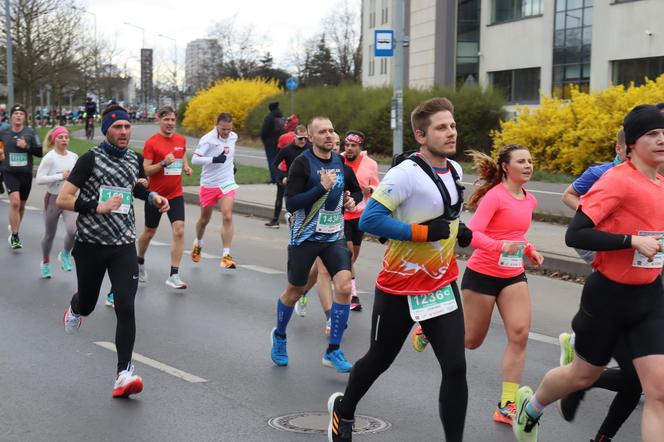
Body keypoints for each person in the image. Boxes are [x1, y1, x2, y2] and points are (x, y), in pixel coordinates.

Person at [513, 104, 664, 442]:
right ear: (632, 144)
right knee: (581, 376)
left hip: (650, 297)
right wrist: (631, 241)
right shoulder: (616, 182)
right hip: (608, 297)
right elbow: (576, 234)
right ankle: (532, 407)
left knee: (659, 392)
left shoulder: (661, 184)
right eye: (653, 134)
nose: (662, 140)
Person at [326, 97, 472, 442]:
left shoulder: (455, 170)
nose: (451, 133)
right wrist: (421, 233)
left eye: (452, 125)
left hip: (440, 283)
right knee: (379, 359)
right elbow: (370, 219)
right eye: (441, 127)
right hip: (400, 286)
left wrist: (459, 228)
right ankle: (343, 410)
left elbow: (442, 213)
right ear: (421, 135)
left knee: (455, 367)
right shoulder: (404, 174)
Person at [414, 145, 543, 427]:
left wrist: (528, 248)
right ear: (506, 167)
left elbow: (516, 234)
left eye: (530, 161)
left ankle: (507, 404)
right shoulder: (495, 197)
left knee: (520, 333)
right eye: (521, 161)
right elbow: (472, 235)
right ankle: (430, 327)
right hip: (483, 273)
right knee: (471, 340)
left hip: (513, 273)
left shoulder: (529, 199)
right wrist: (499, 247)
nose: (528, 165)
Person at [57, 104, 170, 398]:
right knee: (89, 303)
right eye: (118, 127)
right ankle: (76, 306)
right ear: (107, 129)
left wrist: (154, 196)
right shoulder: (89, 160)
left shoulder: (134, 159)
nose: (123, 132)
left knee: (126, 306)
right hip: (91, 245)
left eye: (127, 126)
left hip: (123, 245)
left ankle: (124, 374)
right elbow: (64, 199)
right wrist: (96, 206)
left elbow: (134, 186)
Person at [270, 116, 362, 374]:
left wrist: (351, 201)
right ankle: (279, 335)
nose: (330, 135)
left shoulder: (340, 161)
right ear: (311, 138)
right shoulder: (302, 164)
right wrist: (321, 188)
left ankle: (333, 350)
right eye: (322, 132)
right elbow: (292, 202)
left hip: (333, 236)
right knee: (294, 291)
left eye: (332, 130)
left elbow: (355, 190)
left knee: (343, 287)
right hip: (305, 237)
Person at [135, 105, 192, 289]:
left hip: (175, 194)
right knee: (149, 232)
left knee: (180, 230)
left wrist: (185, 166)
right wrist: (162, 163)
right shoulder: (152, 143)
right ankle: (140, 260)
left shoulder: (181, 139)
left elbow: (181, 154)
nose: (170, 123)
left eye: (172, 119)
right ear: (158, 120)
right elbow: (145, 170)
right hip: (156, 196)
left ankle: (174, 275)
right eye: (166, 119)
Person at [561, 129, 627, 264]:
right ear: (618, 149)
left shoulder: (651, 174)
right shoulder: (598, 173)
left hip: (636, 239)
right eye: (630, 148)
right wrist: (594, 215)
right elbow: (568, 195)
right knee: (609, 273)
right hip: (603, 239)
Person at [190, 112, 239, 269]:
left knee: (227, 215)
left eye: (229, 129)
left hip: (226, 183)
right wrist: (214, 160)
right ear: (217, 125)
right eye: (223, 129)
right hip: (209, 184)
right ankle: (198, 242)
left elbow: (229, 153)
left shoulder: (233, 137)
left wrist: (231, 165)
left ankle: (226, 255)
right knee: (204, 219)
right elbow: (195, 159)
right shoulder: (207, 139)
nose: (226, 132)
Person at [342, 130, 379, 312]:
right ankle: (352, 296)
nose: (349, 149)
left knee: (352, 257)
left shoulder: (370, 164)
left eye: (353, 145)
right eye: (347, 145)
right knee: (348, 255)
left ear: (360, 147)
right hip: (341, 215)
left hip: (360, 215)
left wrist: (370, 189)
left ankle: (340, 279)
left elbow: (377, 185)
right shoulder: (337, 160)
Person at [35, 126, 78, 279]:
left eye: (66, 137)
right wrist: (60, 176)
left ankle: (65, 254)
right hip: (52, 199)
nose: (64, 140)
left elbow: (78, 177)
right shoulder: (50, 157)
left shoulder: (74, 156)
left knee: (73, 230)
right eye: (61, 137)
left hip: (68, 198)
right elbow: (40, 179)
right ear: (54, 139)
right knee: (49, 235)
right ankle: (45, 262)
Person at [0, 104, 43, 249]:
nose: (18, 116)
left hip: (25, 174)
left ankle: (14, 228)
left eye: (21, 114)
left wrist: (27, 147)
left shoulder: (31, 133)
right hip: (9, 172)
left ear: (25, 117)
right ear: (11, 117)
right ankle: (16, 235)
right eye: (16, 114)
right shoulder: (3, 132)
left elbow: (39, 152)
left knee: (22, 206)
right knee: (15, 203)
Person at [266, 114, 300, 228]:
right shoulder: (304, 137)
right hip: (299, 172)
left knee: (280, 196)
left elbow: (278, 154)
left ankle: (275, 220)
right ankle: (298, 220)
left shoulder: (284, 137)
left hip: (284, 170)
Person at [260, 102, 284, 184]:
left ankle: (274, 178)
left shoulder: (269, 118)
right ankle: (279, 177)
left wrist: (263, 139)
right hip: (279, 142)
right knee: (278, 161)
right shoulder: (281, 117)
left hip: (269, 142)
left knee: (271, 161)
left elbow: (264, 131)